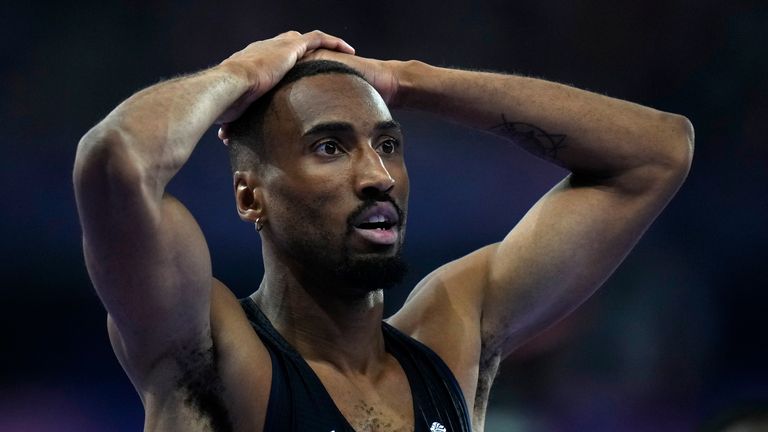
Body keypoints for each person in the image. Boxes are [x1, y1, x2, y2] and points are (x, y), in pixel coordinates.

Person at [73, 30, 693, 432]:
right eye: (329, 147)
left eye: (388, 144)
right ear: (249, 195)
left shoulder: (452, 338)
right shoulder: (211, 347)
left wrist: (405, 79)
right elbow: (114, 162)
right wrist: (240, 74)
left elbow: (658, 151)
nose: (377, 176)